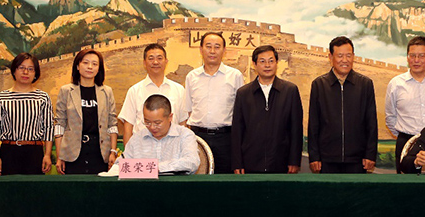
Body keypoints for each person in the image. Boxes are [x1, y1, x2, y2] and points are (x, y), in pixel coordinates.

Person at [308, 36, 378, 174]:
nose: (344, 60)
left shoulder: (365, 84)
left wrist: (370, 154)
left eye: (348, 55)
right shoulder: (319, 85)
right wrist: (314, 156)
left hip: (357, 160)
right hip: (327, 159)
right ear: (330, 57)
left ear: (353, 57)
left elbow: (371, 122)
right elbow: (314, 123)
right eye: (340, 56)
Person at [231, 45, 303, 174]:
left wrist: (294, 160)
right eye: (262, 61)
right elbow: (237, 130)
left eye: (271, 61)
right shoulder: (244, 93)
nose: (267, 65)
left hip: (281, 162)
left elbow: (296, 129)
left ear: (276, 63)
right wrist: (237, 162)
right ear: (255, 64)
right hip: (250, 163)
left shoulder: (290, 91)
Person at [385, 36, 425, 172]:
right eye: (412, 55)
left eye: (421, 56)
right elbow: (390, 117)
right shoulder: (396, 84)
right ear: (407, 58)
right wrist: (406, 136)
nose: (416, 60)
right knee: (406, 188)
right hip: (406, 143)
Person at [185, 32, 244, 174]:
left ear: (224, 51)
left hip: (226, 139)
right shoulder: (191, 77)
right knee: (198, 184)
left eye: (217, 47)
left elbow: (241, 112)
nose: (212, 51)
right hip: (198, 137)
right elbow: (188, 110)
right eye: (208, 46)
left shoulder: (235, 76)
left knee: (225, 183)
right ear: (201, 49)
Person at [54, 49, 118, 174]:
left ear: (99, 68)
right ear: (77, 66)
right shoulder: (66, 91)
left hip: (100, 152)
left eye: (94, 64)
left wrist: (113, 151)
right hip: (72, 153)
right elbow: (60, 125)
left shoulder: (106, 92)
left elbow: (112, 124)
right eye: (85, 63)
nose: (90, 67)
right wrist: (59, 156)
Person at [0, 53, 53, 175]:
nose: (25, 72)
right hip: (8, 152)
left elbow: (48, 128)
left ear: (35, 74)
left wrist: (47, 155)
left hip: (34, 151)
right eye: (21, 68)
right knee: (9, 191)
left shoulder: (43, 97)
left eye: (30, 69)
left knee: (33, 191)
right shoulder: (1, 97)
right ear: (14, 71)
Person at [118, 43, 188, 144]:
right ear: (144, 63)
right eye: (151, 58)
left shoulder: (179, 90)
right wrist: (129, 155)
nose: (155, 62)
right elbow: (128, 127)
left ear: (166, 61)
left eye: (159, 58)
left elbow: (183, 124)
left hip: (172, 149)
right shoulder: (134, 91)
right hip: (142, 150)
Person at [123, 94, 200, 174]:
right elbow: (121, 164)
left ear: (170, 117)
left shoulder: (185, 135)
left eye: (157, 123)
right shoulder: (136, 138)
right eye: (147, 122)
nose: (152, 127)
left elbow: (191, 162)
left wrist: (154, 167)